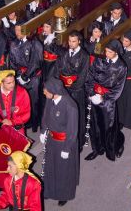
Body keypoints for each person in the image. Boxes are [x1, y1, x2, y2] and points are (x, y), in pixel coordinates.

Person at [0, 70, 31, 190]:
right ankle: (3, 184)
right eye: (8, 83)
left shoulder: (22, 93)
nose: (12, 85)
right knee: (1, 158)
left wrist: (13, 122)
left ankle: (18, 188)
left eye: (13, 81)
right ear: (1, 83)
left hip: (16, 132)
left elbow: (27, 114)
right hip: (0, 132)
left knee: (16, 161)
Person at [84, 39, 127, 161]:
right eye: (106, 51)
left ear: (116, 52)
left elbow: (118, 89)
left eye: (109, 52)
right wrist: (92, 93)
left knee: (109, 128)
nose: (106, 54)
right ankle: (97, 149)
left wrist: (104, 99)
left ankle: (114, 148)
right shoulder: (99, 59)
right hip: (94, 97)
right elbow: (90, 75)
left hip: (107, 102)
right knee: (95, 126)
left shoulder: (121, 67)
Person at [40, 77, 79, 207]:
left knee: (63, 170)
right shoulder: (50, 100)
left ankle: (64, 194)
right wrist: (43, 130)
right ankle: (49, 190)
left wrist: (67, 149)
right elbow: (45, 115)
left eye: (46, 90)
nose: (44, 92)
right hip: (52, 141)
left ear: (54, 91)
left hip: (64, 143)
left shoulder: (70, 106)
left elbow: (72, 131)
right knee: (50, 167)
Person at [56, 30, 89, 148]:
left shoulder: (84, 56)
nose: (71, 43)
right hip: (64, 89)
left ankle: (79, 142)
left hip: (76, 91)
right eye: (69, 41)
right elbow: (58, 69)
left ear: (79, 42)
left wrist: (73, 88)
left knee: (77, 116)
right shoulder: (65, 53)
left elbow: (83, 76)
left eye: (74, 41)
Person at [9, 25, 43, 132]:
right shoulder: (14, 44)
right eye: (16, 30)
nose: (17, 33)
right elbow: (12, 61)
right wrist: (18, 75)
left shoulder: (34, 43)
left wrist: (26, 76)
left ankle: (34, 122)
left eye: (19, 30)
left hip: (33, 77)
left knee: (34, 101)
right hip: (20, 77)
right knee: (22, 101)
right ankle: (25, 121)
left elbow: (36, 62)